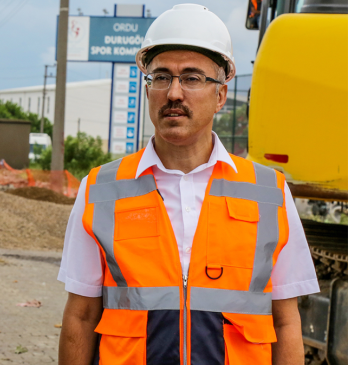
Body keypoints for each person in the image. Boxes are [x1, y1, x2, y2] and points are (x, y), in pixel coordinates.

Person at [57, 5, 319, 365]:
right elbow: (81, 315)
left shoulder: (270, 193)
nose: (174, 93)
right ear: (147, 89)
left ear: (221, 95)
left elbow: (286, 321)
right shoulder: (99, 190)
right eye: (161, 77)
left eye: (192, 78)